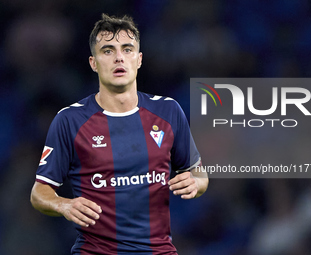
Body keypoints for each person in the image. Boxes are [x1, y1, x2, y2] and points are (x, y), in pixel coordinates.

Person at [30, 13, 208, 255]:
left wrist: (195, 183)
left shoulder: (168, 111)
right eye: (107, 51)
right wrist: (64, 204)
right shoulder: (70, 120)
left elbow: (200, 175)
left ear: (139, 59)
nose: (119, 58)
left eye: (127, 49)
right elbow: (39, 193)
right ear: (93, 63)